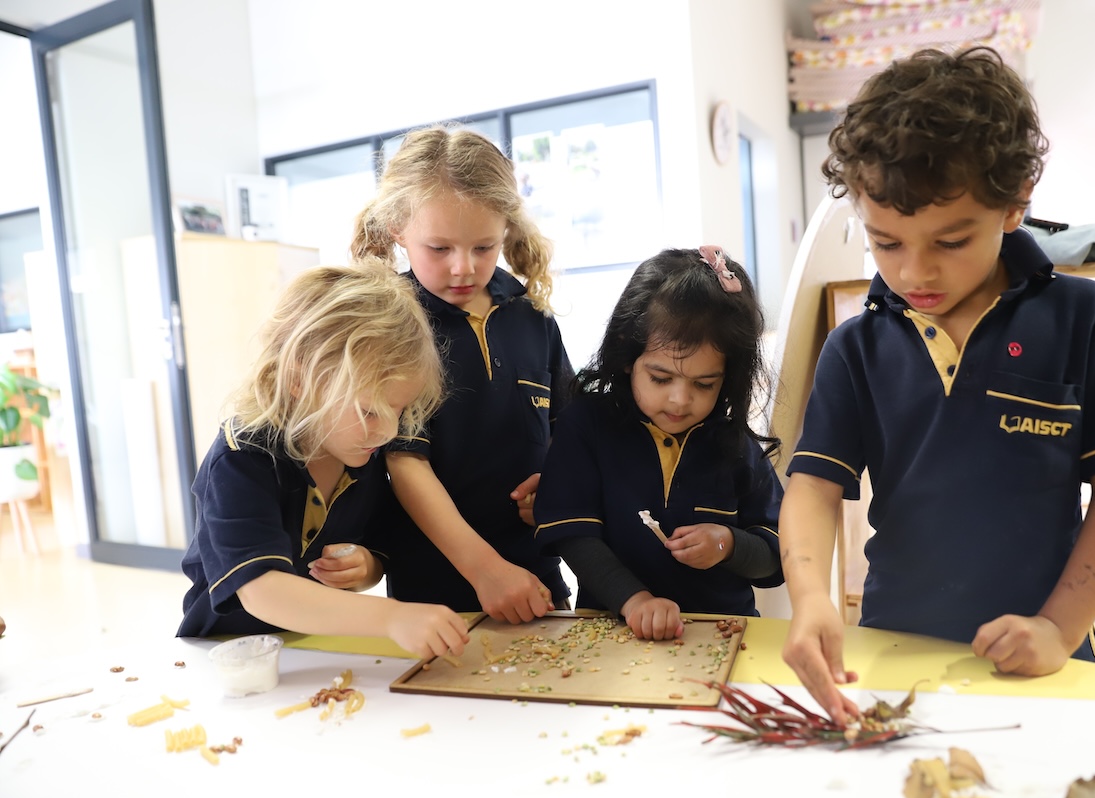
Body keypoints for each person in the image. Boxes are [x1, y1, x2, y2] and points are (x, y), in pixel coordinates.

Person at [780, 46, 1095, 724]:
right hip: (893, 648)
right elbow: (813, 486)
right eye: (886, 243)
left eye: (949, 242)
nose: (915, 272)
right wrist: (811, 597)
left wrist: (1060, 628)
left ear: (1013, 207)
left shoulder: (1085, 317)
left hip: (1044, 648)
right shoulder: (855, 344)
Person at [177, 261, 469, 660]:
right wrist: (390, 617)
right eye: (368, 411)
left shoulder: (357, 450)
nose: (386, 432)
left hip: (317, 650)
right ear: (299, 380)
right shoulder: (242, 459)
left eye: (398, 411)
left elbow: (381, 543)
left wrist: (366, 565)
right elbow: (263, 590)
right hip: (230, 654)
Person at [351, 126, 572, 622]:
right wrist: (486, 570)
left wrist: (558, 487)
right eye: (439, 248)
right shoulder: (393, 324)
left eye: (483, 247)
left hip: (538, 576)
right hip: (435, 593)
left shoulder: (531, 314)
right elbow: (406, 462)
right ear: (397, 230)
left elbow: (568, 428)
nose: (463, 269)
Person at [533, 246, 785, 640]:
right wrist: (634, 601)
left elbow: (778, 555)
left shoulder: (736, 445)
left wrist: (729, 544)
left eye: (705, 384)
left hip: (721, 634)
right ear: (627, 354)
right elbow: (571, 534)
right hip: (609, 632)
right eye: (661, 378)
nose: (680, 401)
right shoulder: (586, 426)